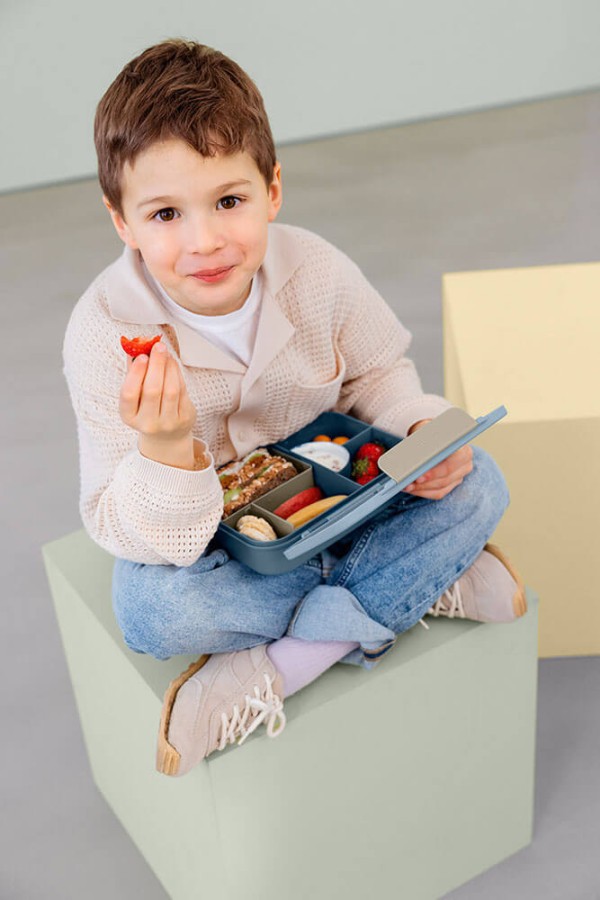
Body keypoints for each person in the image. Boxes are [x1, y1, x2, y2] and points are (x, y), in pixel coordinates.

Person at [63, 39, 526, 778]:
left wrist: (417, 432)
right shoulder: (102, 336)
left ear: (272, 189)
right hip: (223, 546)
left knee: (482, 482)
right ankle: (410, 585)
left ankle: (285, 665)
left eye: (230, 201)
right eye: (165, 214)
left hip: (345, 503)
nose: (205, 241)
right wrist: (166, 451)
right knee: (152, 612)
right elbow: (116, 522)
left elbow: (380, 373)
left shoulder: (316, 269)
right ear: (121, 221)